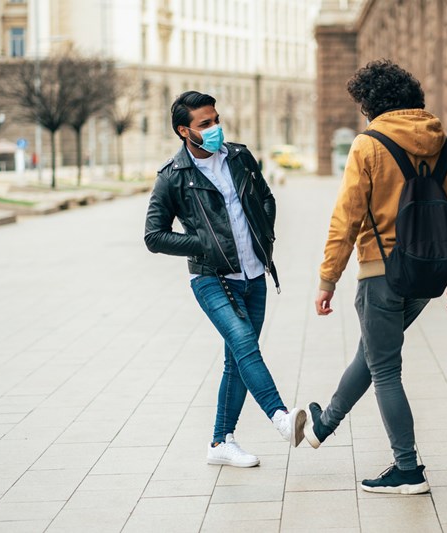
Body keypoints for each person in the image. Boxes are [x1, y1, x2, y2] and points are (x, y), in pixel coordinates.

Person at [305, 60, 447, 494]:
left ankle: (408, 468)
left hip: (381, 273)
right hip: (426, 279)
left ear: (372, 105)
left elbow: (346, 218)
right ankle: (322, 426)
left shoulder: (368, 145)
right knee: (373, 354)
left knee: (384, 369)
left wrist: (328, 279)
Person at [145, 91, 305, 467]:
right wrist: (202, 243)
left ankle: (220, 443)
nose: (215, 128)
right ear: (185, 131)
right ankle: (281, 419)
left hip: (254, 273)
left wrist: (263, 233)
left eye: (216, 119)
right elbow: (154, 235)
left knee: (237, 359)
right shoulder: (173, 177)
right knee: (245, 344)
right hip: (212, 277)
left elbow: (266, 198)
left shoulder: (239, 156)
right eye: (205, 124)